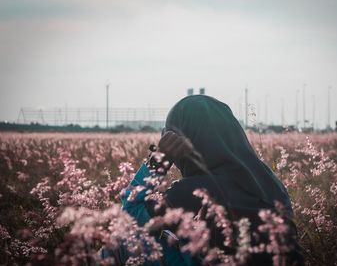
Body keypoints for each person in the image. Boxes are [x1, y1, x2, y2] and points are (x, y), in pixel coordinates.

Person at [103, 95, 304, 265]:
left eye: (169, 136)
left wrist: (159, 162)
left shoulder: (195, 191)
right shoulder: (268, 180)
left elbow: (129, 219)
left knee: (121, 247)